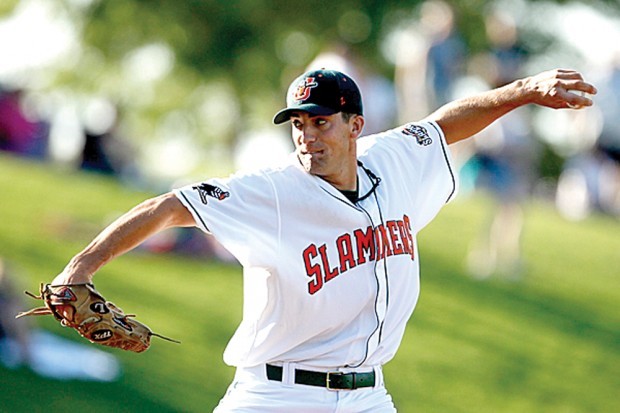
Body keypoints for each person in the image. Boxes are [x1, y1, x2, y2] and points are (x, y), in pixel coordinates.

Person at [51, 67, 596, 412]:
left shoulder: (395, 158)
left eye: (321, 123)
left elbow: (445, 123)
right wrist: (82, 266)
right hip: (275, 396)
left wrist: (524, 91)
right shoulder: (272, 192)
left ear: (355, 125)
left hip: (368, 395)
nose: (308, 136)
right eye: (298, 125)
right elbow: (167, 207)